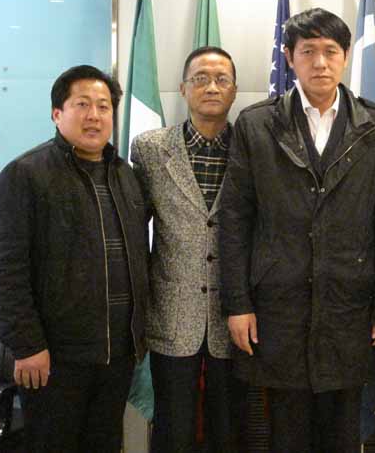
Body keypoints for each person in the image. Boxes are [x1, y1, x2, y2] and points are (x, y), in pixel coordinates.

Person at [217, 7, 375, 453]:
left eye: (331, 51)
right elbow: (235, 220)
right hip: (279, 308)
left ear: (346, 57)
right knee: (288, 433)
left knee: (343, 433)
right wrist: (238, 304)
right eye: (308, 51)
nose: (320, 63)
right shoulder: (257, 124)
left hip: (350, 308)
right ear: (289, 57)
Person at [0, 65, 149, 453]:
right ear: (57, 113)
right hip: (54, 359)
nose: (95, 115)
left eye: (104, 106)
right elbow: (3, 271)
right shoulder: (25, 175)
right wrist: (27, 345)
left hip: (118, 355)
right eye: (82, 104)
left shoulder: (126, 176)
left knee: (105, 444)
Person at [130, 46, 247, 452]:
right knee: (172, 429)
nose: (211, 87)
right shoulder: (150, 149)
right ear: (183, 88)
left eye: (221, 79)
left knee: (229, 429)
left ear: (234, 90)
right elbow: (134, 229)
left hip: (237, 316)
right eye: (200, 78)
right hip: (172, 312)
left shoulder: (254, 147)